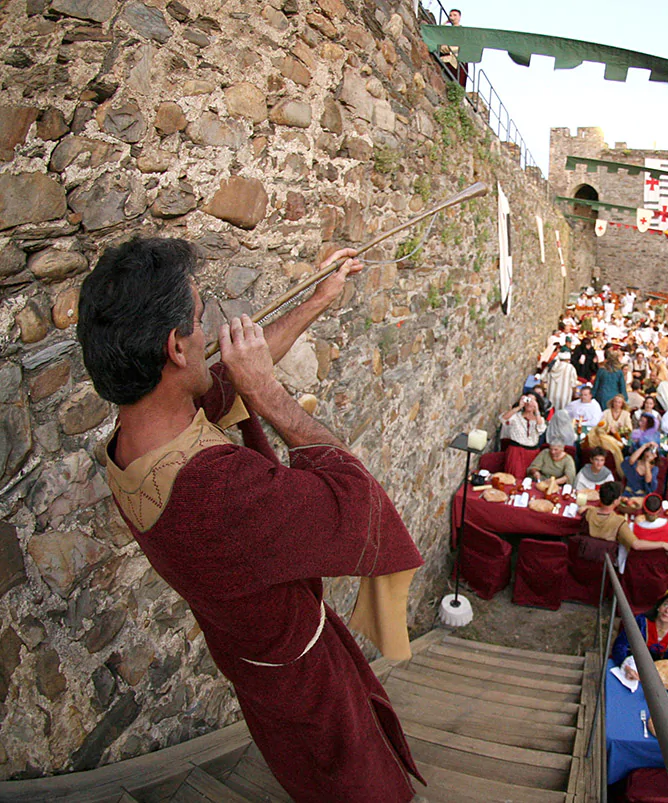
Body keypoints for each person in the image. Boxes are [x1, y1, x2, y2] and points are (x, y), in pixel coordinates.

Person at [77, 238, 424, 800]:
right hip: (304, 676)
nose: (209, 335)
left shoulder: (134, 436)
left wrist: (318, 299)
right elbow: (355, 502)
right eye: (198, 323)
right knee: (358, 782)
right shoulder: (215, 491)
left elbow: (222, 379)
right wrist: (268, 390)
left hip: (255, 658)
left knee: (306, 770)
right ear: (175, 347)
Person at [581, 482, 668, 572]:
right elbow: (636, 545)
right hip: (605, 565)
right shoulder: (620, 522)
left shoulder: (589, 513)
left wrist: (590, 508)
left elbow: (583, 509)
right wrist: (662, 544)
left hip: (585, 558)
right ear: (615, 501)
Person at [611, 588, 668, 679]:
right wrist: (626, 667)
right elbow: (620, 645)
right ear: (659, 607)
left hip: (659, 672)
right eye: (666, 605)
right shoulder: (641, 621)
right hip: (633, 665)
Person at [585, 394, 632, 477]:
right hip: (606, 437)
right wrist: (607, 428)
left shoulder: (626, 414)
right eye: (615, 402)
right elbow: (601, 425)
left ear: (622, 404)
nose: (617, 404)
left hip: (620, 438)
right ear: (612, 402)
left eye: (619, 402)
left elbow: (629, 429)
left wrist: (620, 429)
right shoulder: (606, 412)